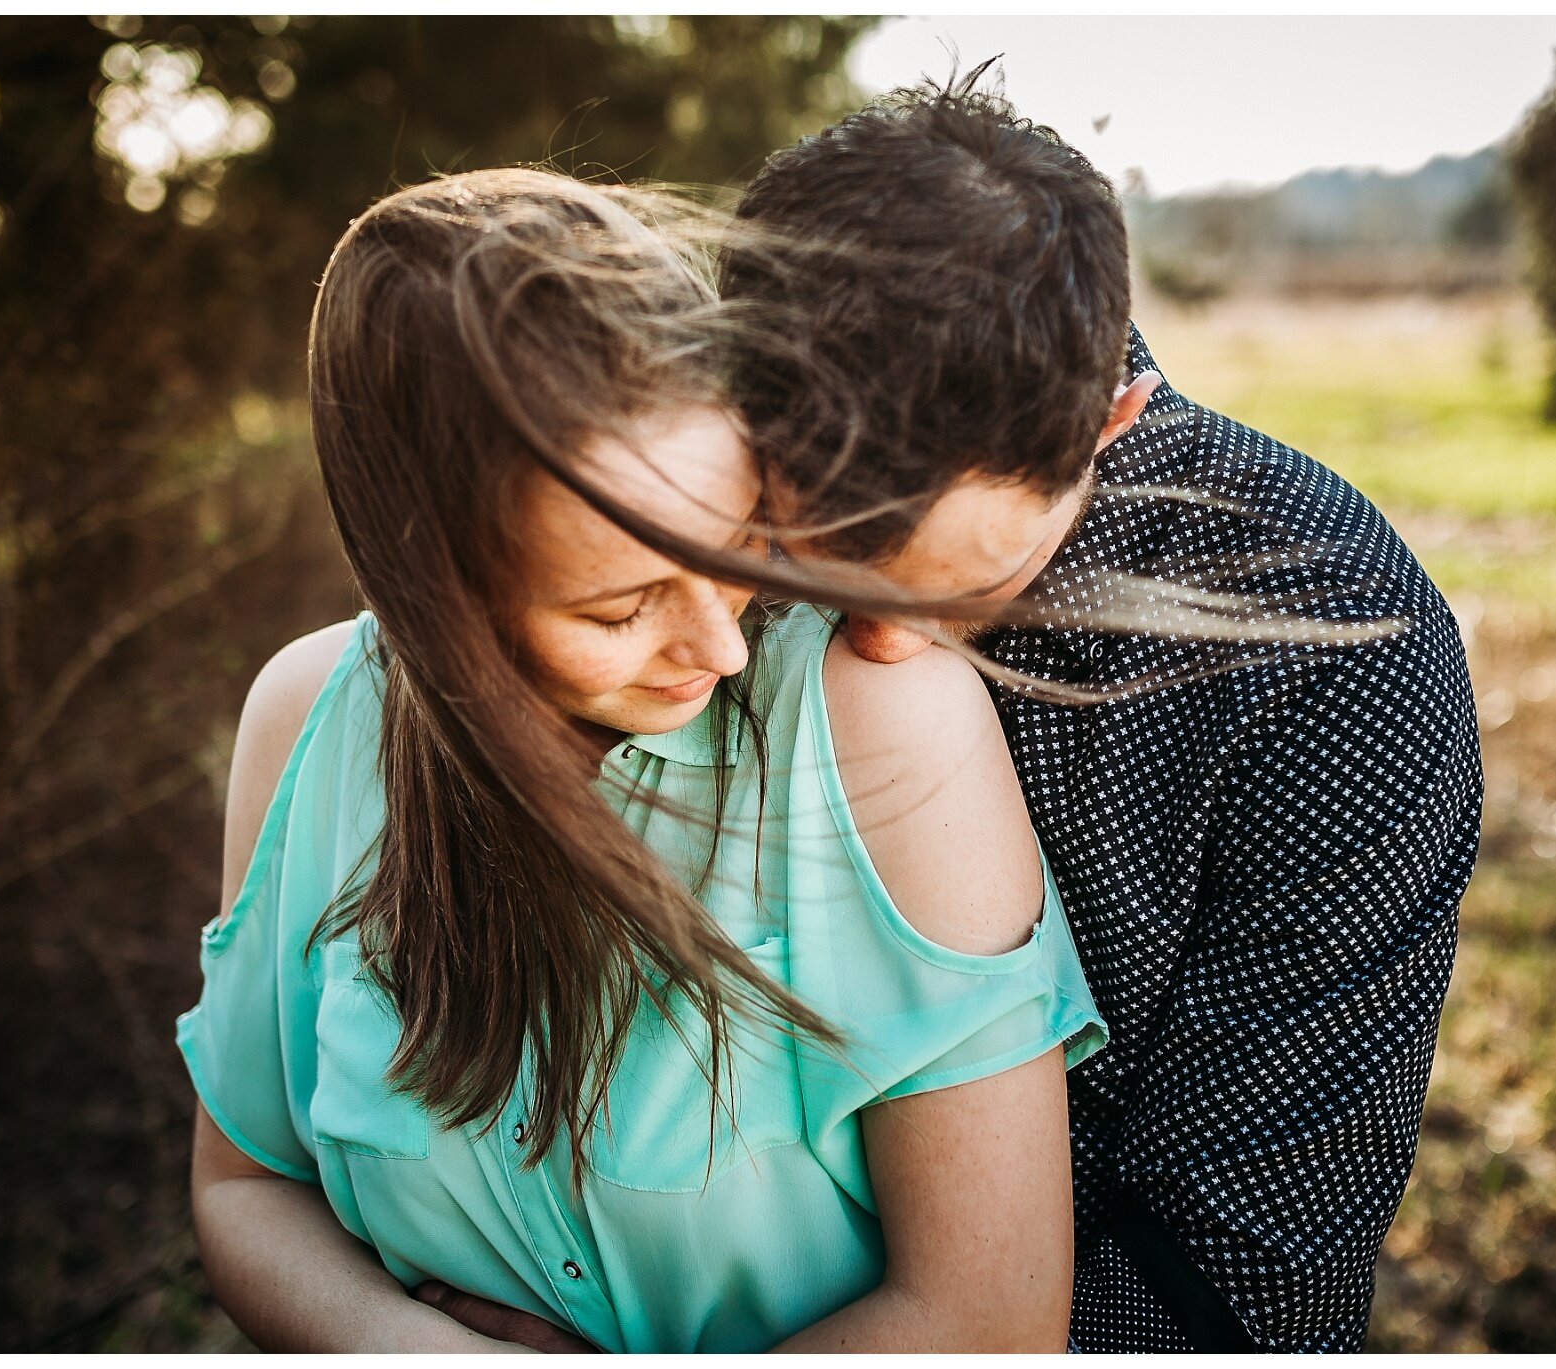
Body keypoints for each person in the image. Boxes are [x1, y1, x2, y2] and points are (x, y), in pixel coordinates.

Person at [177, 167, 1108, 1353]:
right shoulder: (304, 720)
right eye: (619, 609)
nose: (719, 642)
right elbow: (245, 1188)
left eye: (731, 548)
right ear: (432, 591)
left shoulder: (876, 718)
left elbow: (990, 1319)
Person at [720, 72, 1486, 1352]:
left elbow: (1240, 1286)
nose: (879, 649)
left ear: (1108, 416)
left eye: (949, 589)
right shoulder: (689, 518)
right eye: (801, 571)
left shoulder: (1335, 657)